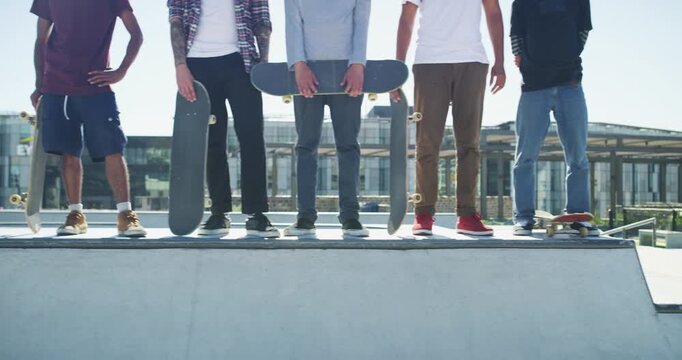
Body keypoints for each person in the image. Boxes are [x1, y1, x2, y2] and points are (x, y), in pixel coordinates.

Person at [30, 0, 147, 237]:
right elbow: (40, 40)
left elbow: (136, 34)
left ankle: (126, 215)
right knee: (68, 151)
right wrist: (39, 85)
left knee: (113, 149)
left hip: (96, 85)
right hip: (57, 85)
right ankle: (76, 215)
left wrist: (121, 70)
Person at [394, 0, 506, 236]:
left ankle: (467, 215)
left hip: (472, 61)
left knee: (469, 144)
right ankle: (423, 213)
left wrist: (500, 61)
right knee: (427, 142)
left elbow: (494, 13)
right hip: (430, 62)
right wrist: (397, 68)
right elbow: (406, 19)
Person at [168, 0, 278, 237]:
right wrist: (180, 66)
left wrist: (264, 62)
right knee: (212, 141)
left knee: (251, 137)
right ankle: (219, 213)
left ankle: (257, 214)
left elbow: (262, 19)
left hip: (241, 61)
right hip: (198, 63)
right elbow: (176, 20)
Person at [282, 0, 371, 237]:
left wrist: (357, 64)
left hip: (348, 72)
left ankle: (351, 217)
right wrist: (299, 65)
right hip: (307, 73)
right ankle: (305, 217)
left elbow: (361, 22)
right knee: (306, 145)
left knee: (348, 145)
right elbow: (293, 24)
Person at [510, 0, 597, 236]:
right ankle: (523, 217)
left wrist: (564, 58)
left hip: (570, 83)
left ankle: (579, 215)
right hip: (534, 86)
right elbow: (516, 36)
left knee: (578, 156)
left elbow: (582, 32)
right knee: (525, 157)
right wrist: (530, 64)